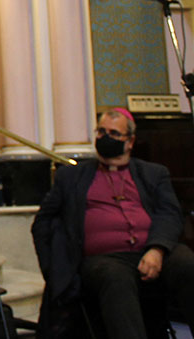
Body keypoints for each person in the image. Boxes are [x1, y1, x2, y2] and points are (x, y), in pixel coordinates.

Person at [32, 107, 194, 338]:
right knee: (115, 278)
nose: (105, 138)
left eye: (114, 134)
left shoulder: (154, 173)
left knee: (187, 262)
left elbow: (169, 213)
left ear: (130, 142)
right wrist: (53, 269)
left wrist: (157, 249)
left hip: (153, 250)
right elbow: (42, 222)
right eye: (101, 132)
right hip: (102, 260)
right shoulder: (71, 177)